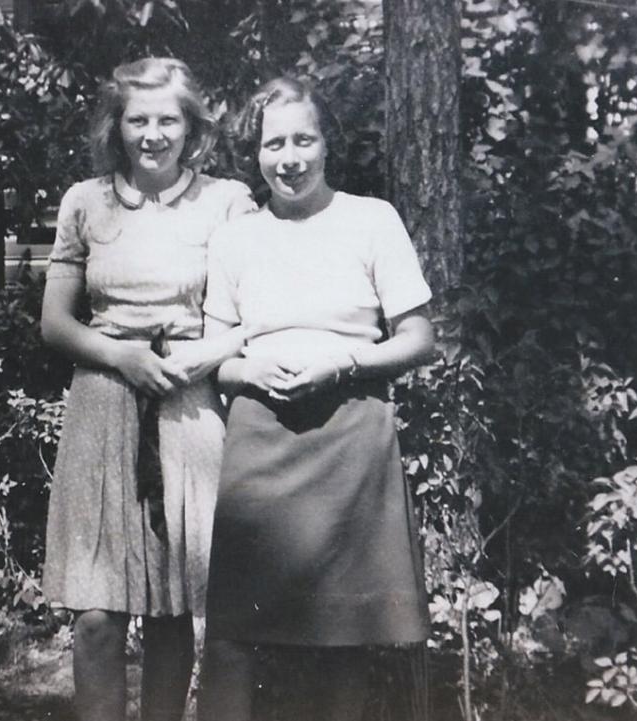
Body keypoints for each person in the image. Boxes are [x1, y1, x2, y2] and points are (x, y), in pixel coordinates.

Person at [197, 76, 435, 721]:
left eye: (304, 138)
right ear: (256, 154)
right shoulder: (235, 238)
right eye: (275, 143)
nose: (290, 157)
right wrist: (251, 372)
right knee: (230, 638)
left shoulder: (371, 219)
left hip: (351, 435)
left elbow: (420, 338)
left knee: (343, 640)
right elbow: (215, 362)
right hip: (261, 440)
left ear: (328, 144)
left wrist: (343, 361)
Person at [40, 57, 256, 721]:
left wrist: (198, 356)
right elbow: (54, 323)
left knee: (172, 607)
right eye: (139, 119)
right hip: (104, 403)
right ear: (117, 124)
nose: (153, 133)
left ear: (191, 126)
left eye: (168, 119)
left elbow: (255, 315)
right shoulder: (86, 201)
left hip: (191, 409)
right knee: (96, 615)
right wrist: (122, 356)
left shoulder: (228, 201)